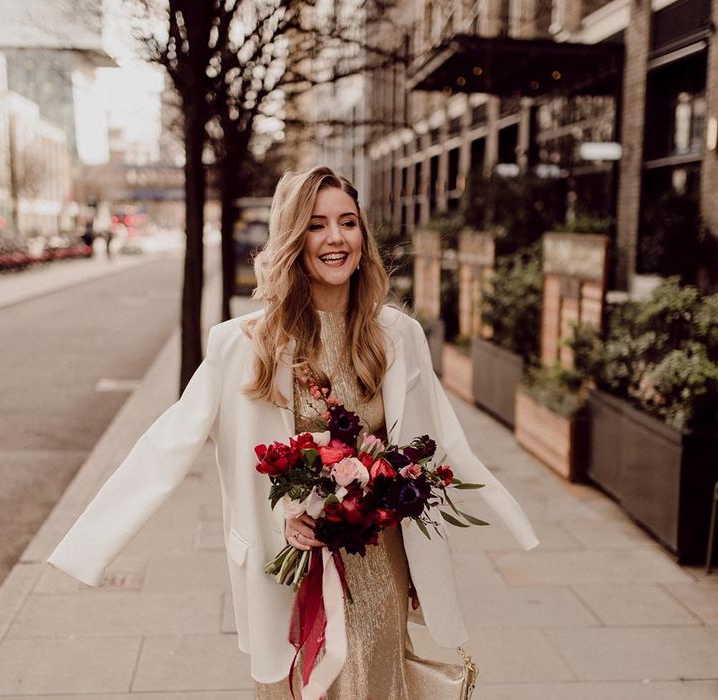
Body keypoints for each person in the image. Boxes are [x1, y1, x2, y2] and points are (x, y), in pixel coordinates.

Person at [47, 166, 539, 698]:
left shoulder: (398, 336)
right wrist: (90, 545)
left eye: (348, 223)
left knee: (370, 681)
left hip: (376, 561)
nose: (335, 238)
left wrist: (506, 515)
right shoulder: (243, 344)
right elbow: (168, 445)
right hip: (288, 564)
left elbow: (439, 442)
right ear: (291, 239)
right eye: (316, 224)